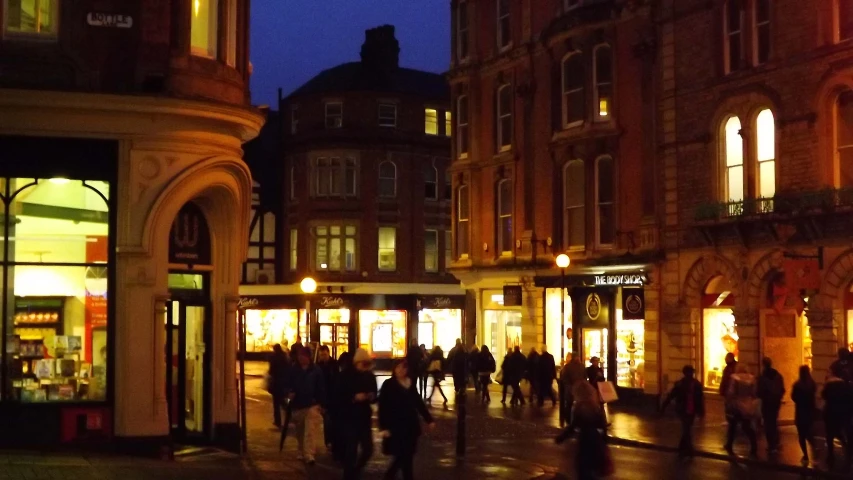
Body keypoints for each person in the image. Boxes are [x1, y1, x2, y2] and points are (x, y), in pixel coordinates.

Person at [379, 359, 435, 480]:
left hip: (410, 426)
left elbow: (418, 403)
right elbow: (383, 407)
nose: (400, 370)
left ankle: (391, 476)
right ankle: (390, 476)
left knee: (406, 457)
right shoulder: (389, 385)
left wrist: (428, 419)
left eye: (403, 367)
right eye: (398, 367)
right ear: (394, 369)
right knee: (403, 456)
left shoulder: (410, 383)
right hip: (396, 427)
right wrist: (383, 427)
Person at [556, 380, 608, 479]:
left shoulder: (579, 407)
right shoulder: (595, 407)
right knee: (592, 472)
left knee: (583, 471)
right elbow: (603, 426)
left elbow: (573, 426)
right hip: (596, 441)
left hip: (585, 441)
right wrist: (604, 443)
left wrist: (561, 438)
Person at [341, 348, 378, 480]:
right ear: (357, 362)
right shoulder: (346, 375)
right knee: (351, 450)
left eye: (367, 364)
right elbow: (339, 395)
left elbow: (374, 393)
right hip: (350, 417)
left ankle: (356, 470)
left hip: (364, 416)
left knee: (368, 449)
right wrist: (354, 397)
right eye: (363, 364)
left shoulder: (369, 375)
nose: (366, 367)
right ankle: (348, 475)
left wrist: (371, 396)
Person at [287, 348, 325, 465]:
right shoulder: (294, 370)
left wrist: (321, 402)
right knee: (300, 430)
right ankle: (301, 450)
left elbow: (321, 387)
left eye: (303, 356)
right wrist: (289, 392)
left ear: (309, 357)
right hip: (298, 404)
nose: (301, 358)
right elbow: (287, 383)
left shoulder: (316, 370)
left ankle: (309, 454)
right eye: (300, 355)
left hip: (311, 404)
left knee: (310, 430)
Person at [661, 365, 705, 456]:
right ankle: (690, 449)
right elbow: (671, 395)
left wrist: (701, 411)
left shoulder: (696, 384)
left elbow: (700, 399)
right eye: (689, 372)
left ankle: (681, 447)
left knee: (687, 428)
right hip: (683, 409)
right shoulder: (681, 384)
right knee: (687, 428)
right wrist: (664, 406)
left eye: (691, 372)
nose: (690, 374)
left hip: (691, 409)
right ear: (685, 373)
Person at [723, 363, 758, 457]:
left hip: (736, 404)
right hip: (748, 403)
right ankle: (754, 445)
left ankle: (729, 444)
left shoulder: (734, 378)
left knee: (733, 424)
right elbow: (754, 393)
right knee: (746, 425)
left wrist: (728, 401)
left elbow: (731, 392)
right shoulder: (752, 378)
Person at [822, 364, 853, 468]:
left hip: (830, 412)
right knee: (842, 433)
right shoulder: (844, 384)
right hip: (842, 412)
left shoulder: (829, 384)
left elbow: (824, 395)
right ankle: (848, 453)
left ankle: (831, 456)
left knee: (830, 435)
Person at [757, 357, 785, 453]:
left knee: (768, 423)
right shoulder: (778, 375)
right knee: (773, 421)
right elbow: (782, 389)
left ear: (763, 365)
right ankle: (776, 441)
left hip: (767, 403)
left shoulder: (763, 377)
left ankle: (771, 445)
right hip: (776, 402)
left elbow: (759, 391)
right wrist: (779, 397)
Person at [790, 365, 817, 466]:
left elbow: (793, 397)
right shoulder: (812, 384)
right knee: (809, 432)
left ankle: (805, 454)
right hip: (810, 411)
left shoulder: (797, 385)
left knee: (801, 434)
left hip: (800, 411)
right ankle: (814, 447)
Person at [316, 345, 338, 450]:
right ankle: (329, 441)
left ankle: (332, 440)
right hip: (324, 398)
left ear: (328, 353)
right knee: (327, 421)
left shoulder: (334, 365)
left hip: (333, 396)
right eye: (321, 355)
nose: (323, 357)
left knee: (333, 421)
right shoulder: (318, 366)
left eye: (324, 355)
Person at [560, 353, 585, 427]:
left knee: (573, 404)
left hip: (576, 387)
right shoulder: (570, 367)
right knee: (571, 404)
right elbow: (565, 378)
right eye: (576, 357)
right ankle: (570, 419)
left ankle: (571, 420)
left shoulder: (579, 366)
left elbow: (584, 376)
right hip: (573, 388)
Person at [268, 344, 291, 428]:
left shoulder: (273, 358)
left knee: (276, 403)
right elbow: (289, 368)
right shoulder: (285, 357)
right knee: (283, 401)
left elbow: (271, 371)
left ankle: (278, 421)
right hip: (284, 382)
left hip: (276, 383)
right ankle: (289, 416)